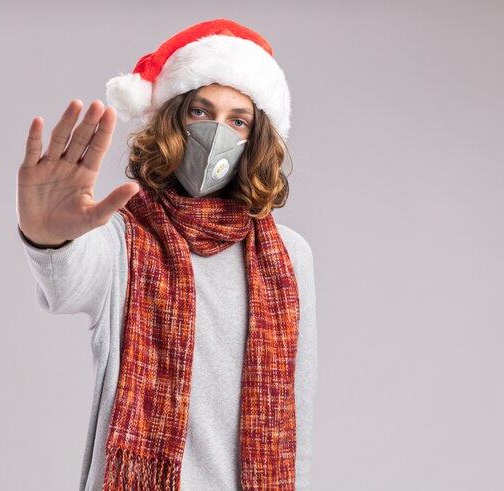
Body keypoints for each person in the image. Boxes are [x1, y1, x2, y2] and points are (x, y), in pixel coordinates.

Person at [16, 19, 317, 491]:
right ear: (173, 118)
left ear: (256, 140)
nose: (218, 132)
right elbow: (67, 281)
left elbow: (296, 414)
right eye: (201, 111)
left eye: (239, 120)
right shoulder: (122, 237)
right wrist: (48, 237)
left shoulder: (290, 257)